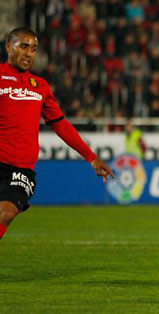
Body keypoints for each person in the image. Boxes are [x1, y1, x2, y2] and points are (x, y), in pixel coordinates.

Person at [0, 27, 115, 241]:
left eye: (33, 49)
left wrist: (91, 157)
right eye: (23, 46)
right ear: (8, 46)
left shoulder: (40, 86)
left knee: (6, 212)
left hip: (19, 170)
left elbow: (60, 124)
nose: (28, 53)